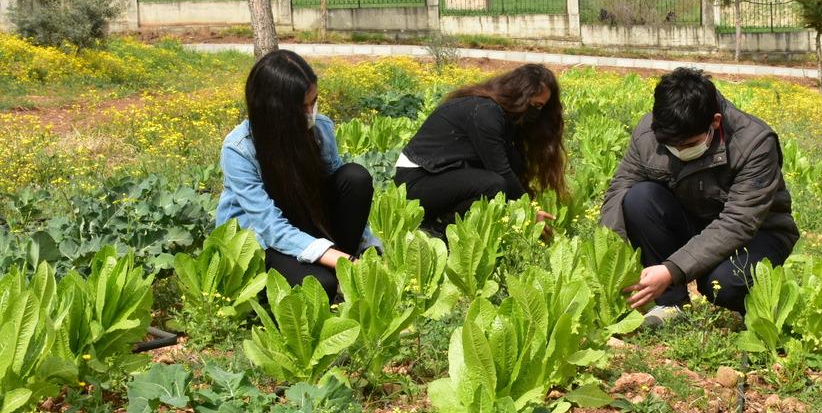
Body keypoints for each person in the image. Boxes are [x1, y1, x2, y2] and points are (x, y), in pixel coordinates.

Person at [600, 67, 799, 326]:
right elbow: (620, 187)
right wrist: (611, 253)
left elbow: (738, 223)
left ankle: (768, 311)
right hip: (694, 222)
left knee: (721, 283)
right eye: (670, 145)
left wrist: (672, 270)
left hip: (757, 234)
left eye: (688, 144)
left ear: (715, 122)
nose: (678, 150)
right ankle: (671, 305)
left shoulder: (754, 142)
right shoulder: (649, 134)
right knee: (639, 197)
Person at [216, 49, 379, 302]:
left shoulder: (320, 129)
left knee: (355, 178)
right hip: (262, 240)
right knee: (319, 286)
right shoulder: (240, 148)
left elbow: (339, 194)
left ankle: (343, 271)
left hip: (306, 223)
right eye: (303, 107)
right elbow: (269, 227)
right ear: (275, 110)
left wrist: (367, 247)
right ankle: (336, 269)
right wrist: (342, 259)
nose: (311, 112)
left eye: (314, 101)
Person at [394, 63, 565, 235]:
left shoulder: (501, 115)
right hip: (416, 181)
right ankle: (439, 232)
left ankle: (446, 224)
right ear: (519, 96)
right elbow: (501, 170)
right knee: (493, 185)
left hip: (440, 176)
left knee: (512, 164)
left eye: (540, 107)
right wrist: (530, 211)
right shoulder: (485, 113)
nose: (536, 112)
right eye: (534, 105)